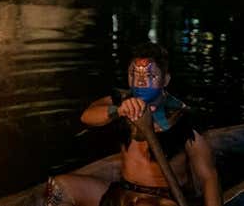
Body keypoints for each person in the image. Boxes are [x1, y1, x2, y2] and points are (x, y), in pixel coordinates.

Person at [45, 43, 221, 206]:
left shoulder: (182, 119)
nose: (141, 81)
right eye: (134, 75)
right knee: (59, 187)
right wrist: (119, 110)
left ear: (165, 80)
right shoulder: (122, 101)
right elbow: (87, 116)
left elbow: (208, 177)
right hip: (124, 192)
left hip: (164, 199)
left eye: (150, 75)